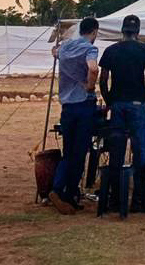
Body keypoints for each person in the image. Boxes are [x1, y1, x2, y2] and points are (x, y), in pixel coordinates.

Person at [99, 14, 145, 214]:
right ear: (138, 31)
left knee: (116, 152)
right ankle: (139, 201)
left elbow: (102, 80)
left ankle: (115, 200)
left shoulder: (111, 50)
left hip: (118, 105)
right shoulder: (144, 49)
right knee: (140, 152)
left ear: (122, 31)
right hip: (137, 104)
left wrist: (109, 102)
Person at [48, 17, 100, 215]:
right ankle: (66, 191)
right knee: (79, 153)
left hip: (67, 106)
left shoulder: (65, 48)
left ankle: (60, 191)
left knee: (68, 152)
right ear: (94, 32)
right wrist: (90, 85)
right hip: (83, 105)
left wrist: (57, 49)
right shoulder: (89, 48)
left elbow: (54, 52)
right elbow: (93, 68)